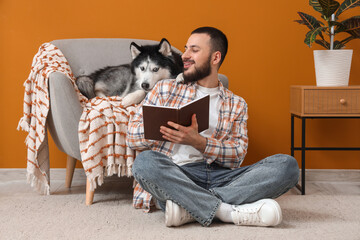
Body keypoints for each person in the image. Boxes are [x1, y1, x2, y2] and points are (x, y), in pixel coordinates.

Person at [126, 26, 299, 227]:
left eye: (194, 50)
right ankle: (226, 211)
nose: (185, 55)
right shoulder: (165, 89)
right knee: (145, 163)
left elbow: (238, 155)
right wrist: (164, 131)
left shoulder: (236, 104)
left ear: (215, 58)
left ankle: (190, 207)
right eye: (185, 48)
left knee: (288, 166)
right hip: (177, 174)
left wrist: (200, 143)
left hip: (221, 176)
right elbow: (131, 136)